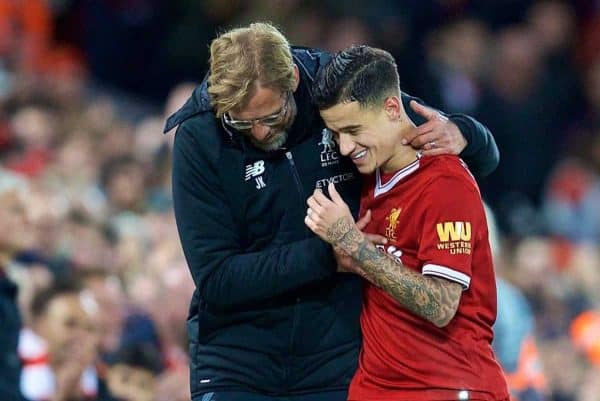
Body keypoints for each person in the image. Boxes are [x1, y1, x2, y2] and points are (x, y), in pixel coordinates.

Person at [164, 23, 500, 401]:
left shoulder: (336, 94)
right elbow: (216, 279)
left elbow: (410, 123)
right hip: (237, 360)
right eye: (242, 123)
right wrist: (330, 254)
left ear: (293, 79)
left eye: (273, 117)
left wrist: (466, 133)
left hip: (333, 359)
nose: (259, 133)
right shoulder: (199, 136)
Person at [306, 45, 509, 401]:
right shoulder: (369, 176)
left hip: (447, 386)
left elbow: (441, 305)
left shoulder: (445, 183)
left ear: (391, 108)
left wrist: (351, 243)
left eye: (353, 130)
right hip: (376, 388)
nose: (345, 147)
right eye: (336, 134)